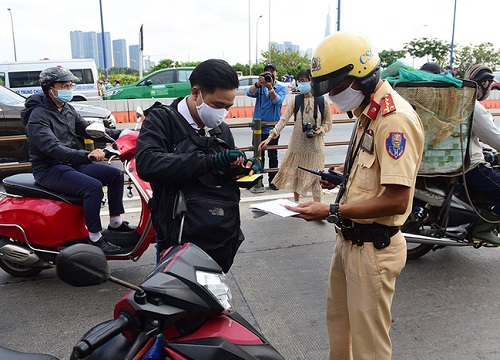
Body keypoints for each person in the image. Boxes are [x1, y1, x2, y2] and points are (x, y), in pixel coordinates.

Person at [285, 31, 425, 360]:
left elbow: (396, 200)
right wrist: (343, 178)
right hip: (349, 241)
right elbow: (372, 174)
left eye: (336, 88)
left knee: (368, 347)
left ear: (361, 77)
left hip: (373, 248)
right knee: (340, 329)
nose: (333, 98)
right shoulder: (369, 111)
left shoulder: (394, 120)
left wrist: (330, 210)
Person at [135, 59, 262, 272]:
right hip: (177, 238)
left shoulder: (220, 129)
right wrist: (210, 161)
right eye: (218, 105)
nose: (223, 113)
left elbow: (225, 174)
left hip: (219, 235)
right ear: (196, 93)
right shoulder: (162, 120)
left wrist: (244, 170)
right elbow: (148, 164)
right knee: (173, 299)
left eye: (228, 107)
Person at [21, 66, 133, 254]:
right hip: (49, 169)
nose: (69, 89)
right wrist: (87, 155)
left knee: (114, 175)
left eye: (70, 85)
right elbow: (53, 149)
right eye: (64, 85)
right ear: (50, 89)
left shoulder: (67, 109)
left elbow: (90, 130)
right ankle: (95, 238)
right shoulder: (38, 117)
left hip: (71, 164)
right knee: (93, 187)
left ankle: (115, 223)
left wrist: (124, 133)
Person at [258, 69, 332, 202]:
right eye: (300, 81)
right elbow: (283, 120)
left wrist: (321, 130)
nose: (301, 84)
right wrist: (270, 137)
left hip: (316, 146)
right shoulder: (296, 100)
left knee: (316, 176)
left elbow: (328, 122)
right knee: (297, 175)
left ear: (312, 81)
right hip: (297, 145)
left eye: (304, 81)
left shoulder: (322, 101)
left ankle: (317, 205)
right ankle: (296, 202)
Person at [463, 64, 500, 244]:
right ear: (483, 84)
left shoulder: (460, 101)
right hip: (471, 167)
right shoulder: (475, 107)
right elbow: (495, 138)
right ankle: (482, 229)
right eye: (489, 85)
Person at [247, 63, 287, 190]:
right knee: (258, 155)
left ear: (276, 73)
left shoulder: (281, 87)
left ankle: (273, 181)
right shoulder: (259, 87)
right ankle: (258, 182)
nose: (269, 74)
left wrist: (270, 88)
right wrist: (258, 84)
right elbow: (249, 93)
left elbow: (277, 101)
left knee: (273, 155)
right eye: (266, 73)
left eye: (271, 72)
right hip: (258, 129)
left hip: (272, 128)